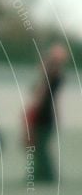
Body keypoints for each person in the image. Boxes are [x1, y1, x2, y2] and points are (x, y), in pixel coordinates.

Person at [24, 44, 69, 183]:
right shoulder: (52, 77)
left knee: (40, 148)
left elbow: (38, 92)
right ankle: (41, 174)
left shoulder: (52, 77)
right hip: (45, 115)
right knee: (39, 147)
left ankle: (47, 175)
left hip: (44, 116)